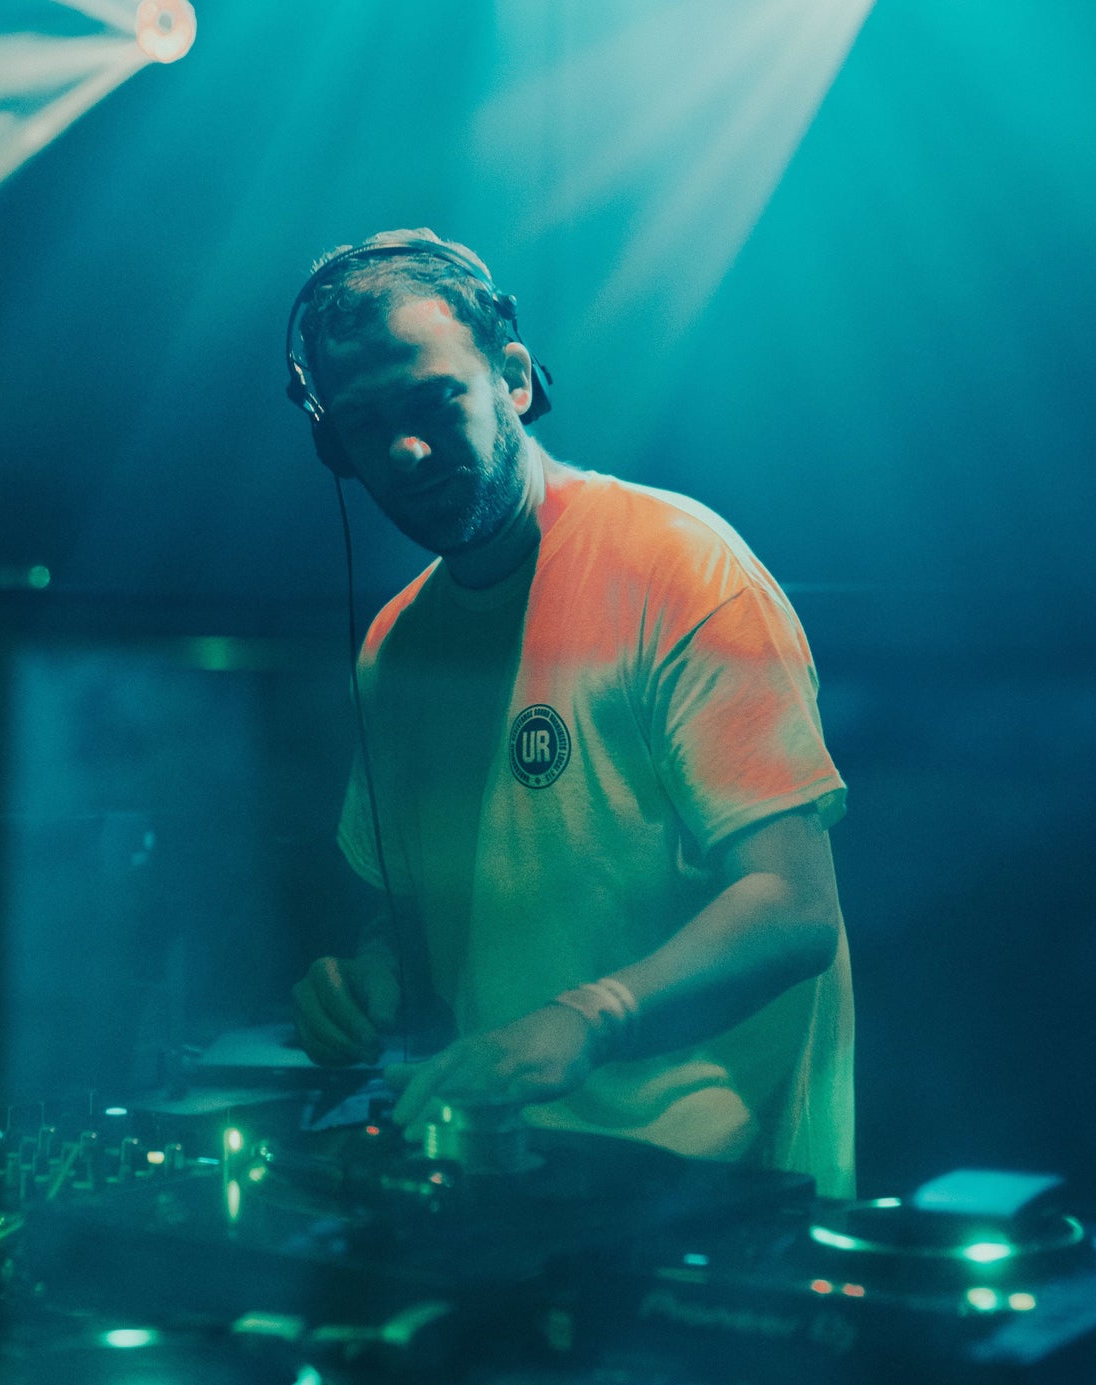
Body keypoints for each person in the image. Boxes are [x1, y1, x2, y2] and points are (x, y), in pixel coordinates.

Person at [287, 229, 854, 1197]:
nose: (406, 447)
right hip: (510, 1183)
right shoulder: (395, 647)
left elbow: (795, 905)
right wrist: (371, 977)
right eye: (365, 421)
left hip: (720, 1201)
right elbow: (420, 917)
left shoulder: (681, 568)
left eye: (433, 400)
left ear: (513, 378)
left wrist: (591, 1016)